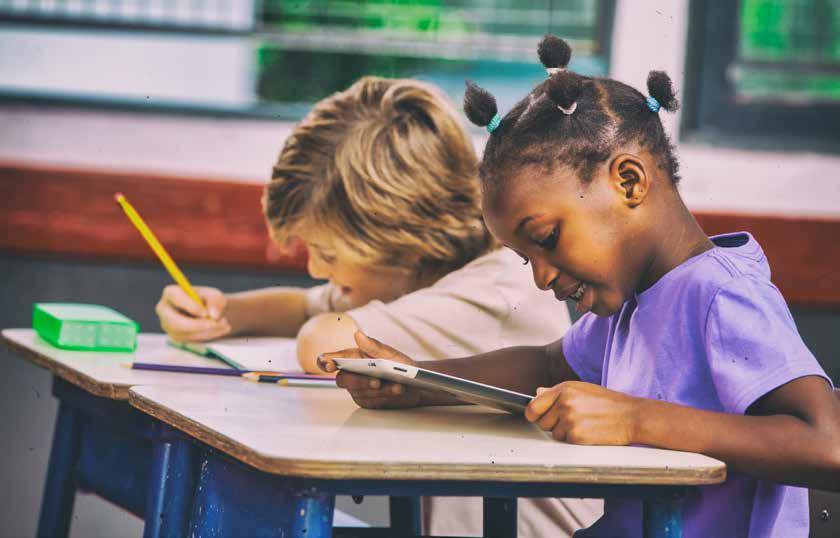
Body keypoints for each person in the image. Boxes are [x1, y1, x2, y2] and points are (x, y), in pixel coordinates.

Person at [320, 37, 840, 537]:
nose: (542, 276)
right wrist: (418, 381)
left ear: (629, 182)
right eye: (527, 259)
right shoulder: (632, 304)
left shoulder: (722, 295)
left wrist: (634, 419)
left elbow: (827, 444)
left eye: (547, 239)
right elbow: (549, 366)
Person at [155, 75, 601, 537]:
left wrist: (296, 320)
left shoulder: (495, 291)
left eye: (328, 254)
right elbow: (304, 305)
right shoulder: (422, 277)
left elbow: (320, 339)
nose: (314, 268)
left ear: (397, 242)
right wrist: (222, 311)